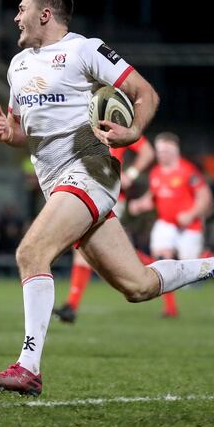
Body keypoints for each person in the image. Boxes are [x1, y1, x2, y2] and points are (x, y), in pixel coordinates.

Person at [0, 0, 214, 397]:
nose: (15, 17)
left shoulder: (85, 50)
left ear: (45, 14)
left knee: (30, 253)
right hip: (58, 184)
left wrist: (134, 131)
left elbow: (145, 93)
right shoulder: (17, 65)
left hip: (92, 170)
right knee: (138, 286)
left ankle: (28, 367)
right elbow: (27, 133)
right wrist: (9, 133)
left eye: (22, 9)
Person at [53, 135, 154, 323]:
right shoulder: (82, 122)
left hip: (108, 193)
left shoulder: (113, 119)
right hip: (88, 189)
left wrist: (130, 175)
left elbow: (147, 151)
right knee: (88, 247)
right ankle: (71, 306)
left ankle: (71, 306)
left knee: (95, 247)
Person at [128, 132, 214, 318]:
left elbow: (205, 197)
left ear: (176, 150)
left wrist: (191, 214)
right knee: (161, 261)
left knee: (191, 275)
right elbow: (154, 198)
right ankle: (170, 308)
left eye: (166, 150)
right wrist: (140, 204)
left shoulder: (188, 171)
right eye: (159, 150)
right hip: (166, 224)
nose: (162, 154)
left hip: (189, 227)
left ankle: (209, 257)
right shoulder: (156, 173)